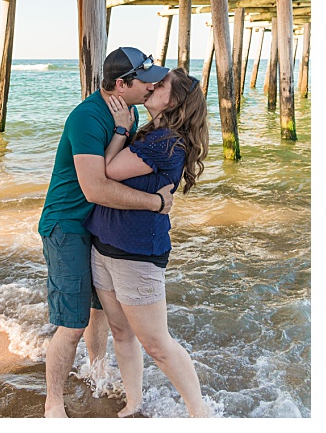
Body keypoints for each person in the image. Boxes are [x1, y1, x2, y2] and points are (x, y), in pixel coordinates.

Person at [36, 47, 176, 418]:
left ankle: (96, 373)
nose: (151, 87)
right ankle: (53, 403)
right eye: (145, 81)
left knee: (100, 311)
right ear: (120, 84)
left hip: (98, 223)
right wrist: (154, 204)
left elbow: (126, 165)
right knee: (73, 322)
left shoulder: (127, 111)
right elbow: (95, 188)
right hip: (66, 225)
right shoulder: (86, 118)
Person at [86, 67, 209, 417]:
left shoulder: (166, 140)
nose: (153, 86)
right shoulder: (151, 131)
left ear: (174, 100)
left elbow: (107, 171)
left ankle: (199, 412)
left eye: (162, 85)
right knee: (121, 333)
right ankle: (134, 402)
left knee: (157, 343)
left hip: (137, 253)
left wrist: (121, 129)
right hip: (106, 244)